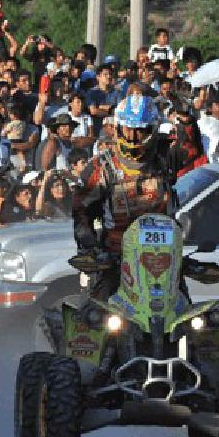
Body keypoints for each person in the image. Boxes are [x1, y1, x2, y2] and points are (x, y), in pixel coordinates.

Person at [70, 94, 183, 301]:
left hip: (163, 261)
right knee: (95, 316)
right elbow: (81, 212)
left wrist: (184, 116)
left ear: (152, 130)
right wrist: (90, 248)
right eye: (128, 129)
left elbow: (189, 145)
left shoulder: (165, 158)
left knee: (190, 314)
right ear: (118, 128)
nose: (133, 137)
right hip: (117, 259)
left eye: (140, 131)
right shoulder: (101, 167)